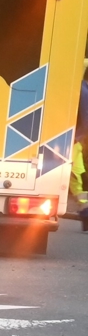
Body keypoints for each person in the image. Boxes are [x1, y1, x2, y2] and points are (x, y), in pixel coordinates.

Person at [74, 63, 88, 230]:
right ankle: (85, 210)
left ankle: (85, 210)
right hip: (76, 140)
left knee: (76, 174)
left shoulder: (82, 89)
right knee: (76, 173)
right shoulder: (83, 91)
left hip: (75, 140)